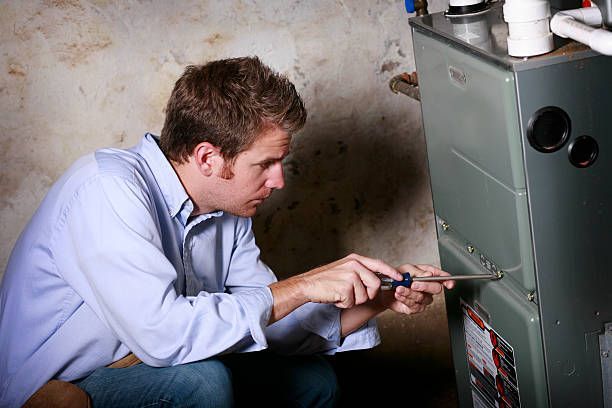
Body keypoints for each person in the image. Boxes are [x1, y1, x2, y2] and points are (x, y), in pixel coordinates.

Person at [0, 56, 453, 407]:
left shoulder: (227, 210)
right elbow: (167, 337)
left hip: (154, 359)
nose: (278, 181)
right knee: (201, 385)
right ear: (207, 158)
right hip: (59, 385)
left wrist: (379, 299)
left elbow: (269, 323)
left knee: (314, 383)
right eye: (266, 164)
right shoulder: (107, 190)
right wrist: (302, 285)